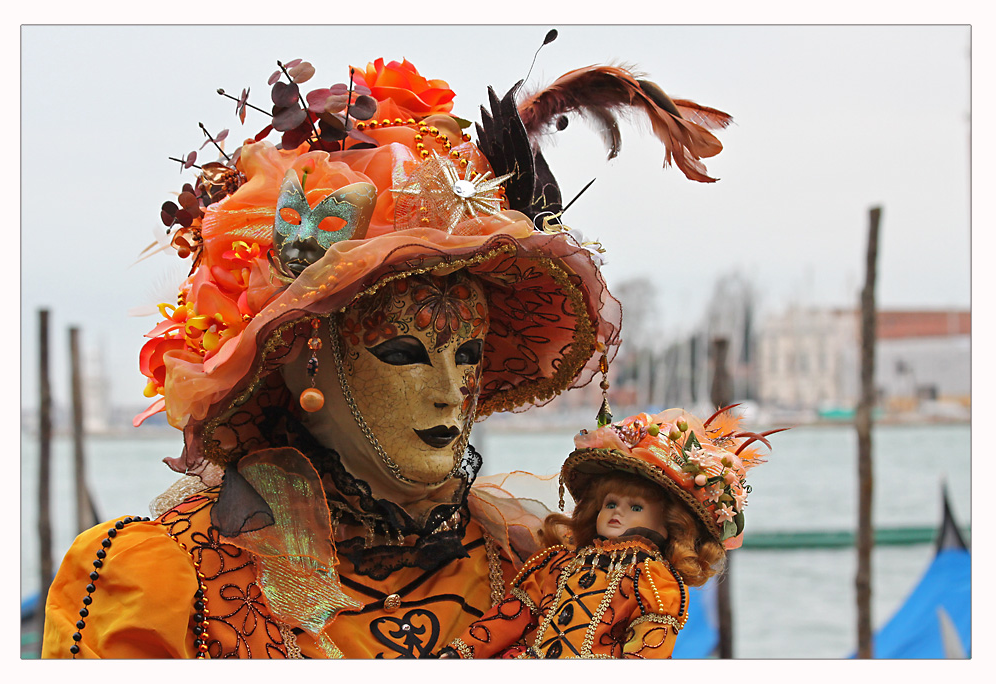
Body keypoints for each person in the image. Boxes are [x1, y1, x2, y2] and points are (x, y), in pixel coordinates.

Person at [41, 49, 730, 659]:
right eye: (405, 353)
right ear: (300, 357)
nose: (452, 391)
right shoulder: (167, 577)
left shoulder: (535, 561)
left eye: (467, 354)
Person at [439, 407, 775, 659]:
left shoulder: (654, 578)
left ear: (669, 524)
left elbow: (648, 649)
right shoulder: (556, 562)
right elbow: (510, 616)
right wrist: (458, 655)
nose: (617, 512)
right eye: (611, 502)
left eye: (636, 507)